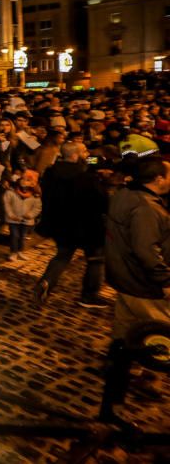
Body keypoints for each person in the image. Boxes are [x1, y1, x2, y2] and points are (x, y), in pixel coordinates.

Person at [101, 156, 170, 426]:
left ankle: (115, 366)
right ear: (158, 179)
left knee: (125, 326)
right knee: (159, 330)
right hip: (144, 284)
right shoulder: (147, 209)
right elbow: (145, 250)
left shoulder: (124, 193)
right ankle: (150, 376)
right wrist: (164, 281)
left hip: (125, 279)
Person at [33, 141, 107, 308]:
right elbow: (102, 201)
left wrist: (97, 161)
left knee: (63, 256)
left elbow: (94, 160)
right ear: (75, 155)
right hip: (87, 226)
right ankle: (89, 295)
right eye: (84, 151)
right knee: (96, 259)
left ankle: (46, 281)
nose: (87, 154)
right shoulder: (86, 177)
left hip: (61, 224)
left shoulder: (51, 172)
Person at [1, 169, 42, 261]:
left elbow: (37, 207)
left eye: (27, 180)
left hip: (26, 220)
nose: (24, 181)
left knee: (22, 237)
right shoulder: (12, 191)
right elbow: (6, 203)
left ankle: (20, 251)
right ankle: (13, 252)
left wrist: (31, 215)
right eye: (23, 178)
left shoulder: (35, 195)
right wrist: (10, 214)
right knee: (14, 236)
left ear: (33, 183)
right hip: (13, 219)